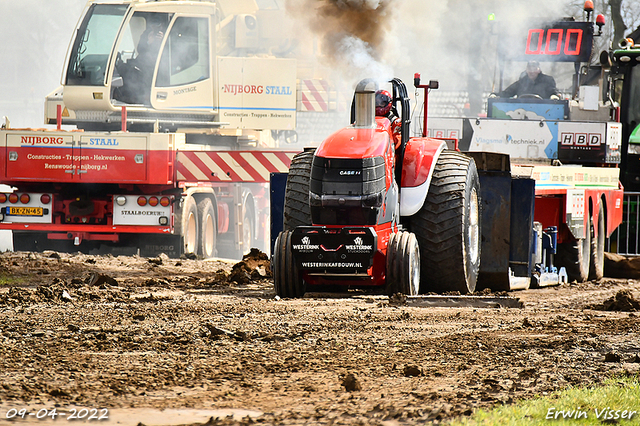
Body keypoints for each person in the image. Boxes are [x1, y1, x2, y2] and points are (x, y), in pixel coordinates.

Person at [114, 15, 166, 105]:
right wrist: (148, 42)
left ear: (161, 25)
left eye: (157, 24)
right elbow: (140, 49)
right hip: (142, 64)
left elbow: (171, 53)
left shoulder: (167, 34)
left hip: (157, 66)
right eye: (152, 24)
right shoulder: (147, 33)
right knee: (126, 70)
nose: (154, 27)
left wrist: (162, 41)